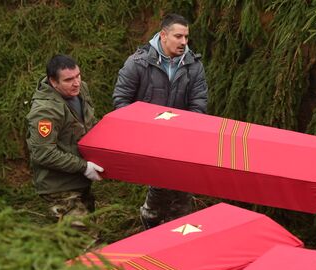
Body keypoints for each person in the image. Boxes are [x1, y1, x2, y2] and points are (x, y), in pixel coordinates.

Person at [112, 13, 208, 230]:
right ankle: (151, 224)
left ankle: (178, 236)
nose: (184, 42)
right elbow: (121, 100)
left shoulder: (194, 66)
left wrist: (187, 132)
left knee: (182, 193)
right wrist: (140, 131)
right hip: (149, 140)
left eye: (186, 37)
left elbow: (199, 104)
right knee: (159, 186)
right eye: (178, 36)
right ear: (163, 35)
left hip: (181, 141)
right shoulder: (137, 63)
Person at [26, 54, 104, 229]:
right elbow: (43, 153)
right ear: (54, 82)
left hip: (80, 181)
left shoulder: (81, 90)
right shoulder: (45, 111)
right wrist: (84, 166)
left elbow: (88, 125)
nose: (76, 82)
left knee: (82, 237)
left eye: (78, 76)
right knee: (86, 244)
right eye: (69, 79)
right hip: (59, 188)